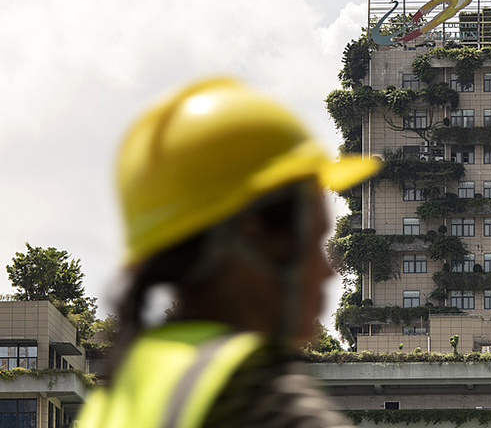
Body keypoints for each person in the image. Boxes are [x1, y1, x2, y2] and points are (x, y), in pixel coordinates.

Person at [77, 77, 380, 428]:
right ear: (248, 235)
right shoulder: (261, 401)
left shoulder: (120, 395)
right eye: (312, 240)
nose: (328, 270)